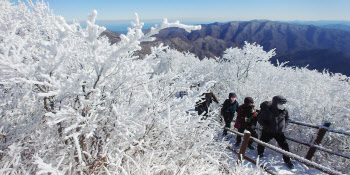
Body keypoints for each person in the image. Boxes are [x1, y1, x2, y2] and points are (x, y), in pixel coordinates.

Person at [257, 95, 294, 169]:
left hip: (279, 132)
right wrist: (268, 126)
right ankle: (260, 153)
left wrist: (284, 126)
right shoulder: (268, 110)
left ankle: (287, 160)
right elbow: (260, 120)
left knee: (285, 147)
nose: (282, 105)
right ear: (275, 103)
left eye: (283, 103)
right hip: (268, 131)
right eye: (280, 103)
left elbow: (287, 118)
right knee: (262, 143)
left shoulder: (284, 110)